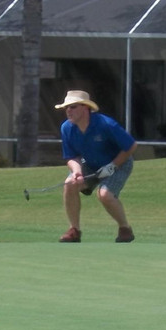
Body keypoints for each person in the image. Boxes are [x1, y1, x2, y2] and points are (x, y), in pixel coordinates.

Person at [55, 90, 137, 243]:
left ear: (85, 108)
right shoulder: (66, 128)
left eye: (72, 107)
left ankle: (125, 228)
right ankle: (74, 230)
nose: (68, 111)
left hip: (120, 163)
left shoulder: (106, 124)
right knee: (69, 184)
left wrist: (112, 166)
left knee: (105, 195)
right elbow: (71, 157)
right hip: (91, 164)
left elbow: (131, 146)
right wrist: (77, 172)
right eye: (66, 107)